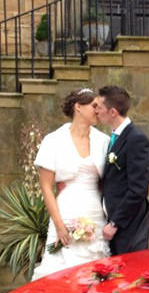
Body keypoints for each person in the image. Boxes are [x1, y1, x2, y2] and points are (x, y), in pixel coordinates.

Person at [30, 88, 111, 280]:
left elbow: (108, 182)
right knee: (60, 269)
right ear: (78, 107)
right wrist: (58, 224)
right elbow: (46, 188)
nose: (98, 111)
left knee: (96, 272)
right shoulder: (54, 140)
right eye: (94, 106)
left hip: (96, 212)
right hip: (65, 212)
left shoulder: (104, 141)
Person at [93, 85, 149, 255]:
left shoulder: (136, 139)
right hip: (114, 224)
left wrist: (115, 223)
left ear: (112, 112)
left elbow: (138, 189)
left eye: (100, 108)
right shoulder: (113, 137)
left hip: (129, 227)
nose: (97, 111)